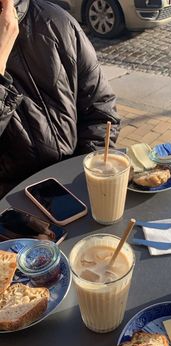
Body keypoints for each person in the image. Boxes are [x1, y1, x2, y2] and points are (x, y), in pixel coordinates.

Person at [0, 0, 120, 199]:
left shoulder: (57, 21)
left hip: (72, 189)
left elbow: (100, 110)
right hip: (10, 205)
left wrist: (83, 176)